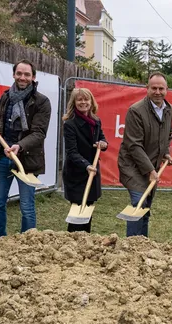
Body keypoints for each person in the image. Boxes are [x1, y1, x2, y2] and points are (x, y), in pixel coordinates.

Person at [0, 60, 51, 238]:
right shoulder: (6, 96)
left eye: (27, 74)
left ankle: (27, 243)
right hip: (2, 156)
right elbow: (1, 124)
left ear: (33, 77)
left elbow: (39, 133)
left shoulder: (41, 101)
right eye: (19, 73)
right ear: (14, 75)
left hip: (27, 159)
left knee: (26, 206)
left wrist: (20, 146)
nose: (22, 77)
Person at [117, 72, 172, 237]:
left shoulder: (168, 109)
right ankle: (131, 248)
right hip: (133, 166)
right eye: (154, 88)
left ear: (166, 89)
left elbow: (167, 134)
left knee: (146, 207)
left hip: (152, 166)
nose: (158, 92)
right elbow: (134, 145)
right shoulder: (136, 111)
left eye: (161, 88)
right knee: (138, 204)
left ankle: (142, 244)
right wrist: (150, 170)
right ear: (147, 89)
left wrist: (166, 153)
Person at [62, 88, 108, 232]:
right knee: (77, 212)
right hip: (77, 173)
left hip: (92, 172)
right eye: (79, 99)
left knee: (88, 211)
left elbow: (102, 138)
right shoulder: (70, 124)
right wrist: (86, 166)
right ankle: (72, 244)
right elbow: (71, 152)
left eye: (86, 99)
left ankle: (85, 244)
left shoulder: (96, 121)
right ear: (74, 103)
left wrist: (103, 144)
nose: (83, 102)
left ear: (91, 101)